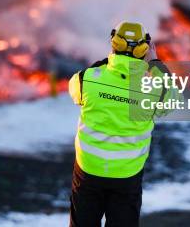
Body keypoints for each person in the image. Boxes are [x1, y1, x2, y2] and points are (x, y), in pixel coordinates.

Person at [68, 21, 177, 227]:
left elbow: (75, 89)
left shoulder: (89, 79)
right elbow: (172, 100)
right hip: (127, 173)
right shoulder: (153, 89)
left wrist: (109, 63)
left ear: (113, 44)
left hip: (89, 169)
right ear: (144, 49)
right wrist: (154, 63)